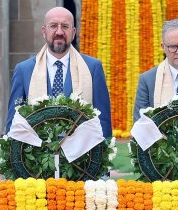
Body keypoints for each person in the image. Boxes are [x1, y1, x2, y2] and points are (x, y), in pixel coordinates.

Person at [7, 7, 113, 137]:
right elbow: (14, 122)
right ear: (44, 31)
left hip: (81, 153)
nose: (59, 32)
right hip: (38, 153)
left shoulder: (92, 67)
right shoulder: (24, 70)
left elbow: (103, 120)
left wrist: (102, 153)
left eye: (65, 26)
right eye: (53, 26)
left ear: (73, 32)